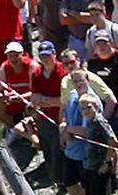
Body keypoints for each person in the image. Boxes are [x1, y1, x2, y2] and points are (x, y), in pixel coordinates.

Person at [86, 30, 118, 190]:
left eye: (105, 42)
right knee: (107, 145)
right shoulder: (92, 62)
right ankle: (112, 175)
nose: (102, 46)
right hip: (100, 110)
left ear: (111, 42)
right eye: (98, 43)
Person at [78, 92, 118, 195]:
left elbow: (113, 141)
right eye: (82, 108)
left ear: (96, 106)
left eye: (88, 107)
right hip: (90, 165)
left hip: (100, 167)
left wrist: (107, 162)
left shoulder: (99, 121)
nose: (85, 111)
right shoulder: (90, 122)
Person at [31, 40, 67, 186]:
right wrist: (49, 101)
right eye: (42, 55)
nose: (45, 58)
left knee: (60, 148)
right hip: (44, 117)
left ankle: (62, 179)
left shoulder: (62, 71)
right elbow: (34, 99)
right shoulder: (37, 73)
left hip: (61, 116)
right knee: (46, 147)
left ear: (54, 54)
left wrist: (44, 99)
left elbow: (63, 100)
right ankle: (52, 177)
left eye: (48, 55)